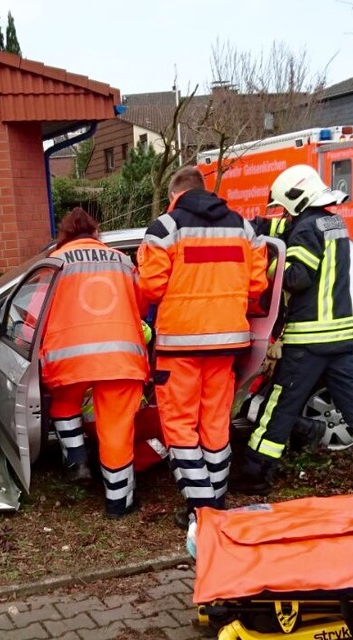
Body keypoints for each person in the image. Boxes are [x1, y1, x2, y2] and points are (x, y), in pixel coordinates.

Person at [243, 164, 353, 494]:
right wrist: (256, 225)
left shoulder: (306, 229)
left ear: (297, 199)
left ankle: (255, 473)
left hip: (308, 341)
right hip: (340, 339)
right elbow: (285, 225)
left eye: (284, 205)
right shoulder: (332, 223)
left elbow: (298, 277)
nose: (282, 212)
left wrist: (265, 263)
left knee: (279, 408)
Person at [138, 167, 270, 527]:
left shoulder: (166, 227)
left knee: (181, 426)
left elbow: (149, 288)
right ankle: (218, 497)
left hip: (179, 345)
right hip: (228, 343)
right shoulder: (244, 228)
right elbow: (257, 285)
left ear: (174, 194)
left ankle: (201, 508)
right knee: (215, 423)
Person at [40, 208, 150, 518]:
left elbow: (36, 314)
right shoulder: (123, 261)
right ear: (96, 231)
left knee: (63, 401)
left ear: (65, 233)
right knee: (115, 429)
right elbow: (142, 304)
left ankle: (77, 459)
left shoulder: (56, 263)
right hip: (119, 357)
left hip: (70, 357)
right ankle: (119, 503)